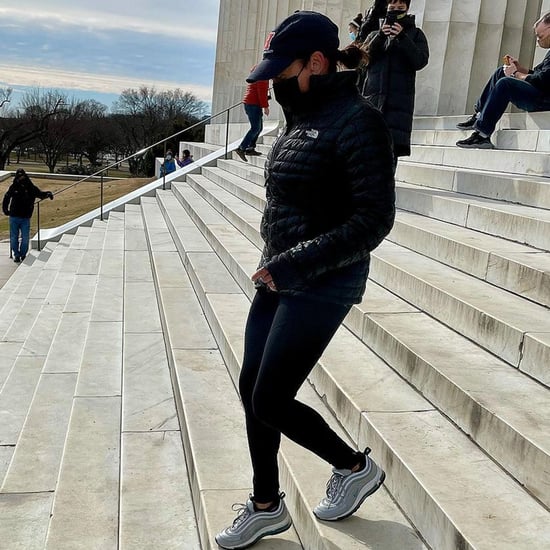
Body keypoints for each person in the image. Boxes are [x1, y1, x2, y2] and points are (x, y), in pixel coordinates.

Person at [215, 11, 395, 550]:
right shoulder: (299, 115)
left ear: (317, 61)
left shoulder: (359, 122)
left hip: (325, 279)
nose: (271, 79)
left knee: (270, 398)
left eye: (281, 67)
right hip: (280, 273)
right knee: (252, 391)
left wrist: (293, 263)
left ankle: (353, 467)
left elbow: (372, 220)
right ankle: (266, 506)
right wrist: (278, 260)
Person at [456, 12, 550, 149]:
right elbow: (539, 74)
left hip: (545, 100)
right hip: (541, 94)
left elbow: (542, 80)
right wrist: (521, 69)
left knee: (505, 83)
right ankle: (479, 114)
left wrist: (516, 74)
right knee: (501, 72)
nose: (538, 40)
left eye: (540, 36)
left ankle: (482, 135)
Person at [361, 0, 429, 163]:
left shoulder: (416, 34)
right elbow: (364, 60)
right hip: (373, 100)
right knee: (367, 151)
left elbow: (420, 61)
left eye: (400, 9)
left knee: (390, 155)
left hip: (399, 104)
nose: (395, 12)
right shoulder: (374, 34)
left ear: (407, 9)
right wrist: (380, 36)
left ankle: (385, 188)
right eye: (392, 9)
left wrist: (403, 38)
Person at [2, 168, 53, 263]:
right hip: (14, 216)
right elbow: (7, 197)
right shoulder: (14, 187)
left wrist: (48, 194)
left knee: (25, 238)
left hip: (25, 217)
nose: (21, 178)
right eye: (19, 176)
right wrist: (5, 210)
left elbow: (40, 194)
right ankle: (16, 255)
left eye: (22, 176)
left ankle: (22, 254)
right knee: (14, 237)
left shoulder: (31, 187)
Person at [235, 69, 270, 162]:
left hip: (252, 103)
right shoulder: (263, 76)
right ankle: (241, 148)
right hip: (253, 104)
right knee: (255, 128)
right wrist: (266, 107)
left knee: (259, 127)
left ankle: (250, 148)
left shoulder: (257, 73)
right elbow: (261, 93)